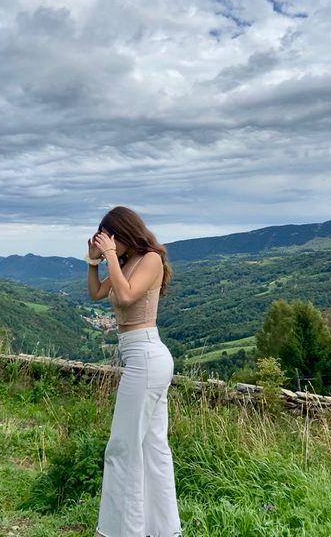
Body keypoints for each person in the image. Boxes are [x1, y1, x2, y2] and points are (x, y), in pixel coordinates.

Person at [86, 206, 182, 537]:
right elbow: (97, 292)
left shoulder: (151, 259)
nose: (107, 243)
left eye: (110, 237)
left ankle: (121, 531)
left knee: (122, 447)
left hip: (146, 355)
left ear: (123, 233)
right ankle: (162, 528)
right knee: (152, 446)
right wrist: (94, 261)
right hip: (141, 357)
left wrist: (111, 255)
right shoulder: (124, 262)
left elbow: (125, 297)